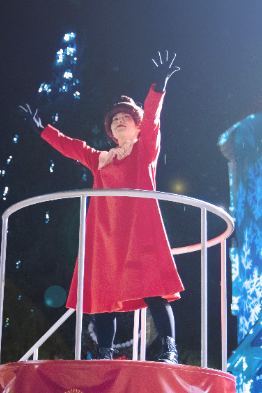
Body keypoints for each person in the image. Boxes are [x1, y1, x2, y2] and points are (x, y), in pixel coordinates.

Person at [21, 51, 186, 364]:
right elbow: (72, 147)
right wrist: (44, 130)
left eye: (126, 118)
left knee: (153, 287)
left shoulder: (144, 150)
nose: (119, 121)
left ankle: (169, 349)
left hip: (138, 229)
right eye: (114, 120)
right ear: (110, 130)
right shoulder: (101, 159)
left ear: (136, 126)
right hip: (107, 234)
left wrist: (158, 87)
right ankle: (104, 355)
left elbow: (153, 119)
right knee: (103, 296)